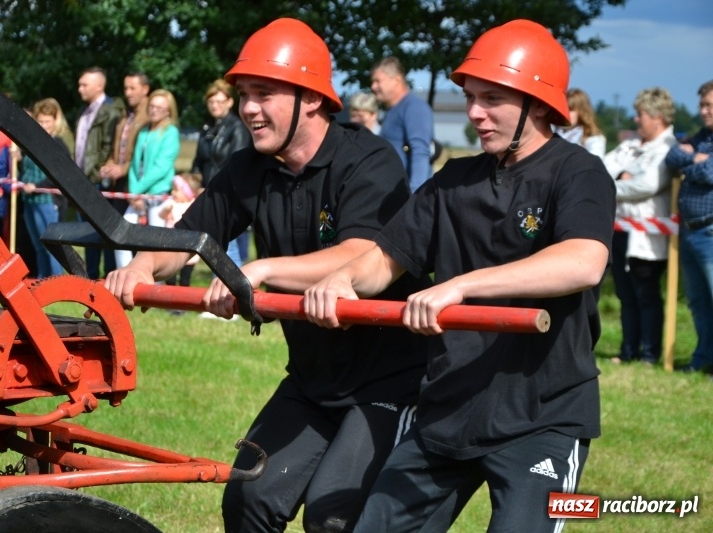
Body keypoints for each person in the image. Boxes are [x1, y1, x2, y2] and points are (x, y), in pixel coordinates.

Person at [105, 17, 429, 532]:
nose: (248, 109)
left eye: (264, 94)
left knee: (331, 517)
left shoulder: (369, 160)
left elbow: (362, 253)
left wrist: (259, 269)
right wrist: (144, 264)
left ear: (313, 99)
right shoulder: (248, 167)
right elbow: (191, 240)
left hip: (389, 383)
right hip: (311, 378)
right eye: (244, 95)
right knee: (248, 500)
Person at [304, 19, 616, 531]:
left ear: (539, 103)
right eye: (471, 97)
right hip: (447, 407)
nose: (474, 113)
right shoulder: (453, 180)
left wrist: (462, 285)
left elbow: (583, 260)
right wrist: (344, 279)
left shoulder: (578, 172)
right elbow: (385, 257)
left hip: (542, 418)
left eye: (491, 99)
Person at [603, 87, 676, 365]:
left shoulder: (667, 149)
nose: (636, 120)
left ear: (657, 117)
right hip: (620, 230)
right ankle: (628, 349)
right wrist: (623, 177)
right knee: (625, 295)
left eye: (640, 114)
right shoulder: (631, 145)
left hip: (647, 236)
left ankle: (649, 353)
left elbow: (647, 185)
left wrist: (615, 182)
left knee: (646, 295)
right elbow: (600, 167)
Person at [665, 79, 713, 373]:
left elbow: (710, 173)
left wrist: (692, 162)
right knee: (698, 302)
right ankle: (704, 359)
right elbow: (671, 157)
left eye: (710, 106)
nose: (704, 111)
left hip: (710, 231)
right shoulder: (701, 138)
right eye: (703, 105)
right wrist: (696, 157)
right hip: (691, 231)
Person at [190, 78, 252, 268]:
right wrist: (194, 180)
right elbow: (198, 161)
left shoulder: (238, 127)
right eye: (211, 101)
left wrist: (214, 187)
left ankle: (235, 292)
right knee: (215, 249)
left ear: (230, 102)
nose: (215, 105)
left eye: (219, 101)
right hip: (208, 192)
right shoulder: (207, 128)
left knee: (227, 250)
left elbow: (238, 163)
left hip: (229, 194)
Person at [116, 89, 180, 252]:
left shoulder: (170, 132)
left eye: (159, 107)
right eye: (152, 106)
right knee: (121, 237)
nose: (154, 110)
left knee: (154, 244)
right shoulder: (143, 130)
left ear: (168, 111)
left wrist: (136, 190)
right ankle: (125, 274)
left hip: (157, 195)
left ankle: (154, 278)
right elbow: (134, 163)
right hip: (137, 195)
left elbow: (161, 168)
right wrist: (133, 192)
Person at [74, 66, 122, 279]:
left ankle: (108, 277)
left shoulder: (110, 112)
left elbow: (108, 146)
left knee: (104, 233)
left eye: (85, 84)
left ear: (99, 86)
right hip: (82, 181)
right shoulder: (84, 112)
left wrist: (93, 175)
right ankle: (90, 277)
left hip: (96, 182)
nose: (79, 89)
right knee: (87, 232)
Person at [100, 71, 152, 268]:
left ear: (145, 89)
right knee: (116, 231)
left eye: (133, 88)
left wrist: (123, 168)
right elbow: (118, 148)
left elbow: (145, 158)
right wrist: (110, 164)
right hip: (119, 184)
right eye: (125, 88)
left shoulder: (150, 117)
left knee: (135, 236)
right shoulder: (126, 115)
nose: (127, 93)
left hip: (138, 185)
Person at [17, 98, 69, 278]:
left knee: (51, 248)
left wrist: (37, 186)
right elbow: (28, 169)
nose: (44, 125)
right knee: (38, 246)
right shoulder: (32, 143)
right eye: (41, 121)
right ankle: (43, 281)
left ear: (56, 121)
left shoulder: (58, 144)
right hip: (29, 200)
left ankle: (58, 283)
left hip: (47, 201)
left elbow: (60, 175)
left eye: (48, 121)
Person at [370, 56, 434, 192]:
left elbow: (420, 152)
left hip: (406, 198)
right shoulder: (392, 110)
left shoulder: (414, 107)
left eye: (378, 81)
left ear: (397, 80)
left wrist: (415, 197)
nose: (373, 87)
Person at [158, 174, 200, 288]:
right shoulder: (171, 204)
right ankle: (170, 300)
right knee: (170, 277)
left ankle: (182, 301)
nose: (173, 193)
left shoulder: (193, 205)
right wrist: (166, 210)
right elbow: (161, 215)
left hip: (188, 250)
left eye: (176, 190)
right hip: (171, 247)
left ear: (187, 192)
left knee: (185, 279)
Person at [555, 88, 606, 158]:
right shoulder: (553, 132)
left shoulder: (594, 139)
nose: (565, 113)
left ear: (582, 112)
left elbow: (593, 164)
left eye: (570, 109)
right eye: (563, 109)